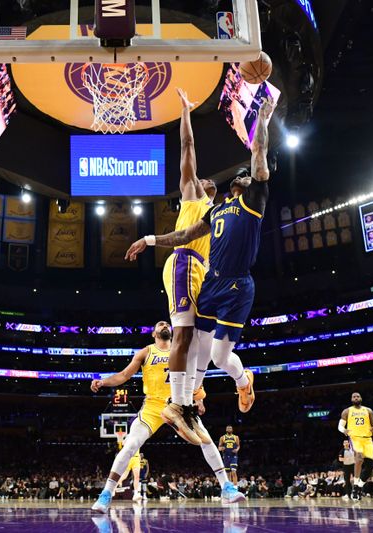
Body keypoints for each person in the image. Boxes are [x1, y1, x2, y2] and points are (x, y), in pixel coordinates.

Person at [126, 97, 275, 416]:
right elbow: (182, 234)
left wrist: (262, 119)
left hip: (233, 282)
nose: (205, 179)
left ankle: (229, 382)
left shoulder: (252, 202)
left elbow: (258, 156)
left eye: (244, 176)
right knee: (200, 347)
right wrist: (150, 239)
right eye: (238, 176)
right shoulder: (214, 210)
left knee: (216, 354)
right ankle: (191, 395)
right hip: (208, 280)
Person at [90, 321, 245, 513]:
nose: (164, 325)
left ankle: (226, 488)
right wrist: (103, 382)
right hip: (153, 407)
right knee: (130, 445)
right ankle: (106, 493)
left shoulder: (183, 349)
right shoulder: (146, 352)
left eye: (166, 323)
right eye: (159, 324)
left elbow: (194, 378)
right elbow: (123, 375)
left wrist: (200, 401)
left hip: (179, 404)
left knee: (206, 440)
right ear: (153, 333)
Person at [154, 88, 217, 445]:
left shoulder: (216, 212)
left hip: (199, 270)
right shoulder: (193, 194)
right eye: (200, 179)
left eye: (209, 182)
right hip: (181, 264)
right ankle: (176, 404)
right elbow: (188, 149)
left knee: (193, 336)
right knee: (182, 334)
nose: (202, 179)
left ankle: (184, 402)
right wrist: (185, 112)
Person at [338, 392, 373, 501]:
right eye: (354, 397)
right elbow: (340, 426)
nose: (356, 398)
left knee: (370, 466)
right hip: (355, 438)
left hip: (367, 439)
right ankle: (355, 484)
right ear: (351, 399)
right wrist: (344, 430)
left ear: (361, 398)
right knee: (359, 459)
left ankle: (358, 486)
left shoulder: (368, 410)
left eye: (358, 396)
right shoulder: (347, 411)